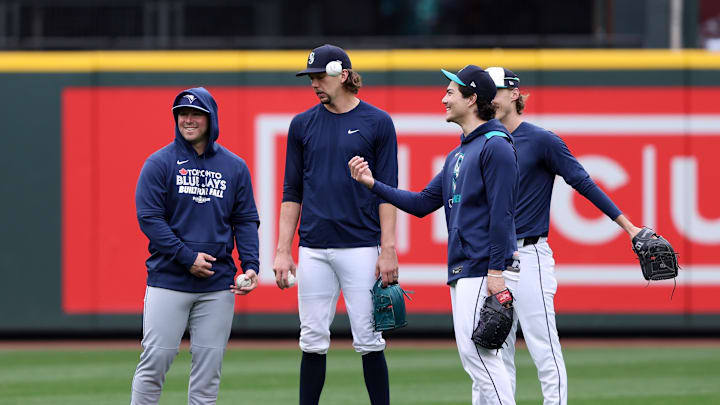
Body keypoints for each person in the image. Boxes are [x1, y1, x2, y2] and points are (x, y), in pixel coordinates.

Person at [349, 65, 518, 405]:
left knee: (479, 357)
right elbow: (422, 203)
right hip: (464, 267)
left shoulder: (495, 146)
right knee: (478, 357)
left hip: (484, 268)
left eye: (451, 92)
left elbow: (503, 215)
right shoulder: (459, 153)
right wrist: (372, 184)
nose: (443, 98)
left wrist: (496, 273)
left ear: (472, 99)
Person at [485, 66, 643, 405]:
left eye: (496, 90)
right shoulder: (483, 142)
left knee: (543, 345)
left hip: (530, 257)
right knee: (494, 351)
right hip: (493, 259)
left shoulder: (541, 140)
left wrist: (629, 227)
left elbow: (584, 183)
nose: (491, 97)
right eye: (486, 91)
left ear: (515, 94)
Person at [273, 44, 399, 405]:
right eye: (310, 77)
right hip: (313, 247)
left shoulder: (377, 122)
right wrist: (283, 250)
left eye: (320, 76)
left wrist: (387, 249)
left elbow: (388, 190)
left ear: (343, 75)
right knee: (311, 340)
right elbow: (291, 191)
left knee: (370, 340)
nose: (314, 83)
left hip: (361, 246)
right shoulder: (302, 125)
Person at [131, 87, 260, 405]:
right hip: (169, 279)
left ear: (211, 119)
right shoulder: (159, 163)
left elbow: (245, 220)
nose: (188, 119)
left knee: (207, 375)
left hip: (217, 285)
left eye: (196, 114)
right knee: (155, 363)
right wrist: (185, 256)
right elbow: (149, 218)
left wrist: (251, 265)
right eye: (182, 114)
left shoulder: (234, 167)